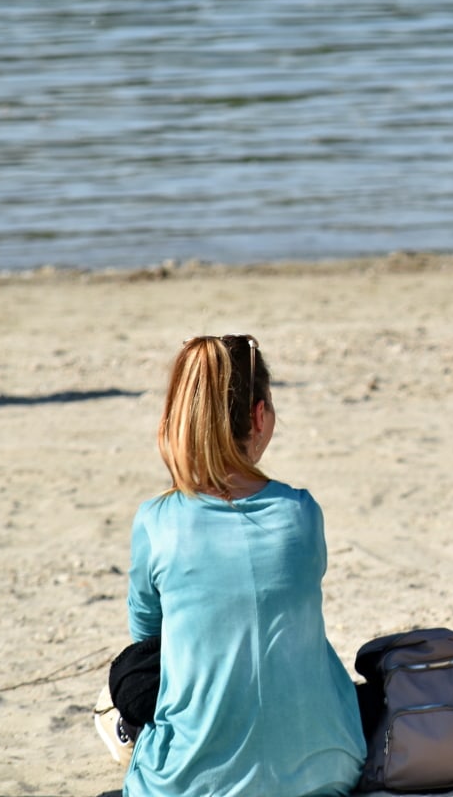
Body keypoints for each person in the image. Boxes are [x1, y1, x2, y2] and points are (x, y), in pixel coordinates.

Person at [107, 334, 366, 796]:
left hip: (190, 784)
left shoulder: (156, 521)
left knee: (131, 673)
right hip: (327, 770)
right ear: (259, 417)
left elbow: (148, 638)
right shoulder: (301, 511)